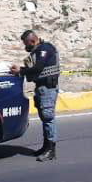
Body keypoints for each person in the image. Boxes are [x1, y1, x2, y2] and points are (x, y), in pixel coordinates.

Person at [10, 30, 61, 161]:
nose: (25, 46)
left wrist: (21, 71)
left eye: (26, 43)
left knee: (48, 118)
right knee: (44, 118)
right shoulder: (38, 50)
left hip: (48, 89)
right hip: (41, 88)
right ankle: (46, 147)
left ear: (32, 41)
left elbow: (38, 68)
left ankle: (51, 150)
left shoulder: (44, 49)